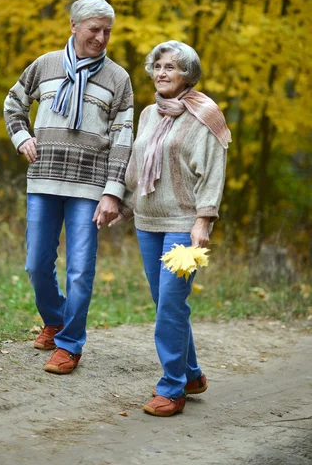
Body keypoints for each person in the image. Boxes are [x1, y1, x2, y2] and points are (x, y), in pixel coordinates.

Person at [4, 0, 133, 374]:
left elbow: (124, 137)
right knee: (36, 264)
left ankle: (70, 344)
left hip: (90, 186)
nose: (102, 37)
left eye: (107, 30)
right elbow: (14, 102)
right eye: (95, 29)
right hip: (44, 178)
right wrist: (20, 136)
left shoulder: (118, 78)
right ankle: (55, 318)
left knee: (80, 268)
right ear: (74, 27)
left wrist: (113, 190)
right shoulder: (45, 65)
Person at [113, 40, 231, 416]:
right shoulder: (149, 114)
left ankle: (172, 388)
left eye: (172, 67)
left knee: (170, 306)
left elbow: (212, 171)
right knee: (166, 302)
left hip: (184, 224)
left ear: (188, 75)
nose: (162, 73)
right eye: (158, 66)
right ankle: (192, 374)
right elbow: (136, 164)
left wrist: (203, 221)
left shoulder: (205, 115)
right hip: (149, 222)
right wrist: (126, 204)